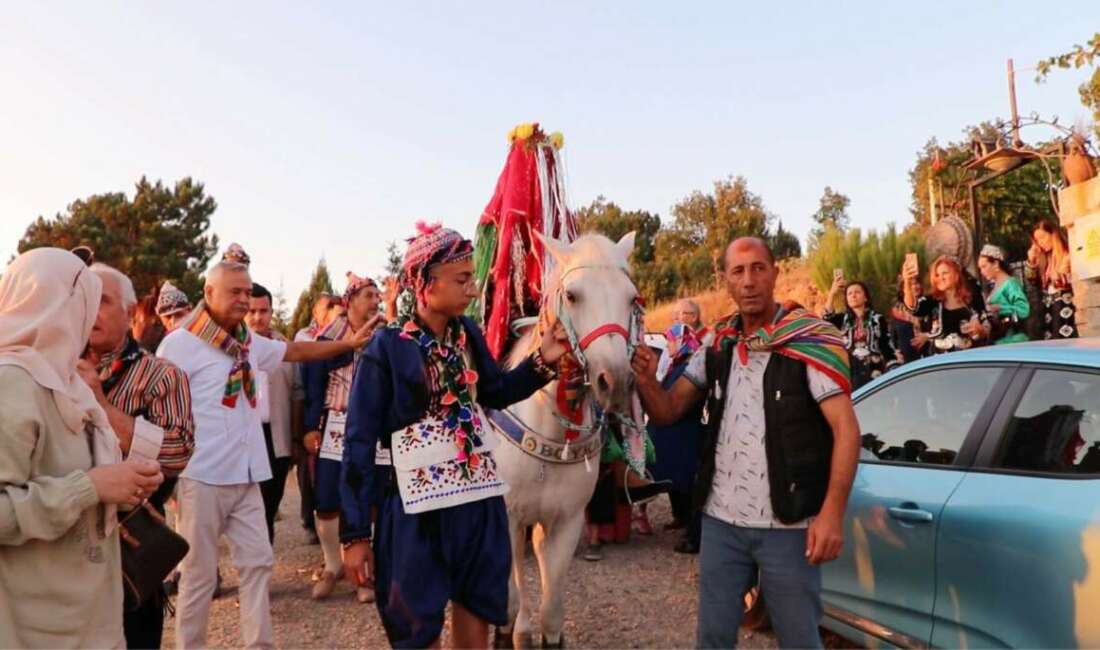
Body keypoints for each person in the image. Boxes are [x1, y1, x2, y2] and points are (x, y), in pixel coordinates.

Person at [339, 222, 568, 649]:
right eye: (461, 279)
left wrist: (542, 361)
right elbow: (358, 441)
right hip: (414, 509)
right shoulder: (386, 347)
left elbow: (496, 392)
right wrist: (354, 535)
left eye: (472, 278)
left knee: (478, 608)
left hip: (475, 502)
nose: (471, 288)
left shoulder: (469, 336)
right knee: (416, 625)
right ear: (425, 283)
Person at [630, 237, 860, 649]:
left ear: (774, 273)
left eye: (758, 268)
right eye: (738, 271)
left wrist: (831, 514)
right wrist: (647, 380)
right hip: (721, 522)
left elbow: (847, 431)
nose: (749, 280)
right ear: (726, 281)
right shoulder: (717, 345)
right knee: (713, 639)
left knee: (799, 639)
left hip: (787, 525)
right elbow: (666, 411)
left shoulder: (806, 343)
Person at [159, 244, 380, 649]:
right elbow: (160, 407)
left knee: (258, 564)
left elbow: (296, 350)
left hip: (247, 474)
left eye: (248, 292)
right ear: (209, 294)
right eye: (235, 292)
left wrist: (348, 346)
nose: (245, 299)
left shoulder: (248, 342)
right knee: (198, 575)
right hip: (201, 477)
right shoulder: (179, 346)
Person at [0, 248, 164, 648]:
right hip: (33, 627)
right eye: (85, 302)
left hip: (89, 616)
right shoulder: (13, 384)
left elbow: (89, 477)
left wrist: (128, 484)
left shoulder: (69, 382)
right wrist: (91, 487)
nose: (89, 318)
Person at [83, 263, 196, 649]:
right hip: (56, 548)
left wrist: (101, 405)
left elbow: (178, 452)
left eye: (102, 301)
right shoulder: (47, 368)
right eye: (82, 299)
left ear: (130, 314)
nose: (88, 309)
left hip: (129, 551)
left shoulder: (162, 376)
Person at [301, 272, 383, 603]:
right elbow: (313, 385)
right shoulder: (327, 338)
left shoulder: (386, 336)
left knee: (371, 498)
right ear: (350, 302)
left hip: (373, 428)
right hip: (335, 424)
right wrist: (309, 427)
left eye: (377, 295)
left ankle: (366, 574)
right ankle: (333, 565)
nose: (375, 300)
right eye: (368, 295)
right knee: (327, 500)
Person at [245, 282, 298, 545]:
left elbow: (298, 393)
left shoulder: (285, 348)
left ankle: (262, 567)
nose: (257, 317)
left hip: (275, 439)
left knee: (268, 503)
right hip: (243, 438)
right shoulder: (231, 346)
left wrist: (298, 439)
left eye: (263, 310)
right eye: (252, 311)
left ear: (271, 312)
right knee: (247, 508)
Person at [646, 322, 705, 554]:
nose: (669, 344)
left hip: (684, 435)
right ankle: (680, 518)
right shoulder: (678, 365)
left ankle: (693, 535)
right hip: (673, 434)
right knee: (675, 482)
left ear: (683, 342)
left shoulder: (691, 368)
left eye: (672, 340)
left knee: (687, 484)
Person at [293, 293, 344, 545]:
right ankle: (330, 556)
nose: (337, 311)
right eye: (331, 307)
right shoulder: (310, 340)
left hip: (357, 427)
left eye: (340, 308)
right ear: (317, 313)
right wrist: (310, 427)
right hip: (325, 425)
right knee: (323, 487)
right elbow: (311, 389)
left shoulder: (360, 339)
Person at [903, 255, 990, 355]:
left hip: (972, 358)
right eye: (937, 275)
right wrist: (907, 282)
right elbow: (913, 308)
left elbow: (986, 324)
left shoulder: (971, 299)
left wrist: (980, 330)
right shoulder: (933, 300)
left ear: (956, 275)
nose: (940, 278)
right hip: (943, 362)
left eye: (945, 273)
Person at [823, 277, 897, 389]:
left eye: (857, 292)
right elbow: (826, 320)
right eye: (849, 293)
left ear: (865, 297)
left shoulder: (877, 319)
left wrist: (893, 368)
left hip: (875, 371)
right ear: (846, 299)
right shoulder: (842, 319)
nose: (853, 295)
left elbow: (886, 345)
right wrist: (832, 294)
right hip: (851, 373)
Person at [1026, 219, 1078, 339]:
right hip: (1049, 311)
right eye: (1037, 240)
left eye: (1042, 237)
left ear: (1053, 234)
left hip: (1065, 309)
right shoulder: (1045, 261)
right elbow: (1032, 280)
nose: (1040, 243)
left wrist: (1060, 275)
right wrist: (1031, 261)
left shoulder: (1067, 256)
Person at [977, 245, 1030, 345]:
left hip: (1013, 340)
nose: (982, 272)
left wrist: (1000, 308)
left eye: (984, 266)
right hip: (999, 341)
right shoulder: (994, 287)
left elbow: (1024, 310)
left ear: (996, 263)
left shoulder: (1010, 283)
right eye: (980, 268)